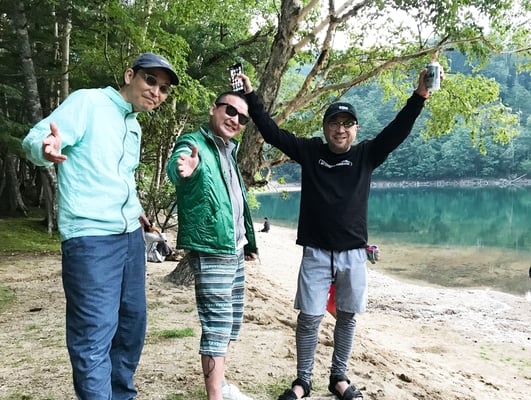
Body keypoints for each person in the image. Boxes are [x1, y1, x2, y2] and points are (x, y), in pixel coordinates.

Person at [239, 65, 443, 400]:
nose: (340, 129)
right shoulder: (310, 152)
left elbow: (397, 130)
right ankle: (303, 381)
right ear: (325, 127)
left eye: (347, 124)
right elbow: (273, 133)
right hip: (316, 252)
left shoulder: (367, 155)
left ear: (355, 129)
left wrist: (420, 95)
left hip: (353, 254)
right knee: (309, 317)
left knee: (346, 317)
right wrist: (250, 96)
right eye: (334, 123)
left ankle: (339, 377)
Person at [22, 52, 179, 399]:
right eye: (150, 80)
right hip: (91, 239)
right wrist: (45, 148)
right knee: (93, 335)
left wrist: (137, 211)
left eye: (164, 88)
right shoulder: (88, 103)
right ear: (129, 76)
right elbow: (36, 137)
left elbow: (120, 177)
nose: (156, 91)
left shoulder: (133, 125)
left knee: (131, 328)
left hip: (130, 238)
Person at [166, 91, 258, 400]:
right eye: (230, 110)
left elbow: (234, 200)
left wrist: (248, 241)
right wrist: (184, 171)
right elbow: (179, 166)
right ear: (213, 108)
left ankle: (220, 384)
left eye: (242, 118)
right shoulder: (194, 144)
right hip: (211, 247)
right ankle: (214, 395)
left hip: (234, 248)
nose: (235, 119)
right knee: (217, 324)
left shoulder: (227, 150)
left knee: (230, 321)